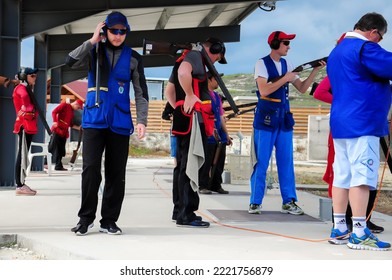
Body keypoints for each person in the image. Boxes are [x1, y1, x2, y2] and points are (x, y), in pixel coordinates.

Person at [65, 11, 149, 236]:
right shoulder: (93, 51)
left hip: (120, 122)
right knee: (91, 169)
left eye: (122, 31)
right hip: (94, 119)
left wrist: (142, 120)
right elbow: (70, 61)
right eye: (114, 30)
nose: (118, 35)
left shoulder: (134, 58)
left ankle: (109, 220)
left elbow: (141, 92)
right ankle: (85, 219)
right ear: (105, 30)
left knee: (116, 173)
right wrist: (92, 40)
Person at [327, 12, 391, 250]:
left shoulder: (337, 50)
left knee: (342, 176)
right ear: (373, 32)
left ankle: (340, 228)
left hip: (342, 123)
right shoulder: (364, 48)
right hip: (363, 122)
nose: (380, 42)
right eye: (380, 37)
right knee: (362, 178)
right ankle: (360, 232)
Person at [249, 31, 325, 215]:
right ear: (275, 44)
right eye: (285, 43)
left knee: (286, 162)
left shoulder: (287, 64)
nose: (288, 46)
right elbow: (264, 90)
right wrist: (286, 78)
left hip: (283, 117)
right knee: (261, 162)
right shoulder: (262, 63)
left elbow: (302, 88)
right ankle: (255, 202)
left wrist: (315, 70)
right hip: (266, 118)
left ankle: (289, 200)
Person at [165, 37, 227, 228]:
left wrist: (179, 108)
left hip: (185, 117)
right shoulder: (194, 57)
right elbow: (184, 73)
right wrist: (190, 97)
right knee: (189, 166)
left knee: (182, 166)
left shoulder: (188, 57)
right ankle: (186, 214)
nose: (216, 60)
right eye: (218, 56)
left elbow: (169, 91)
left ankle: (179, 210)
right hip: (192, 120)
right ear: (214, 49)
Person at [313, 75, 385, 235]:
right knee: (342, 173)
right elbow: (319, 92)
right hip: (345, 126)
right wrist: (344, 104)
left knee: (367, 173)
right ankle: (341, 220)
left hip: (364, 124)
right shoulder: (341, 67)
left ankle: (363, 218)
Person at [199, 72, 231, 195]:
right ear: (209, 80)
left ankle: (216, 184)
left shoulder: (217, 96)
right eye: (216, 79)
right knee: (207, 160)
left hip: (219, 132)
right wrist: (209, 128)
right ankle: (203, 184)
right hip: (208, 132)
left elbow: (221, 116)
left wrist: (226, 134)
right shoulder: (203, 95)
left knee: (220, 161)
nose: (218, 82)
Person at [12, 67, 39, 196]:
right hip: (24, 125)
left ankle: (22, 183)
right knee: (22, 155)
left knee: (23, 154)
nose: (35, 78)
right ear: (24, 77)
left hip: (29, 125)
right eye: (32, 76)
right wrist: (29, 108)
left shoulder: (27, 88)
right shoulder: (22, 88)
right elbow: (25, 102)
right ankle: (19, 185)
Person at [50, 99, 83, 171]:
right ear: (76, 104)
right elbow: (54, 112)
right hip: (57, 130)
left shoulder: (72, 111)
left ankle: (58, 165)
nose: (78, 109)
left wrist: (78, 128)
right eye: (78, 107)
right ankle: (50, 163)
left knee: (61, 149)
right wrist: (55, 121)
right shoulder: (64, 105)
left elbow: (70, 124)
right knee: (54, 147)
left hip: (64, 132)